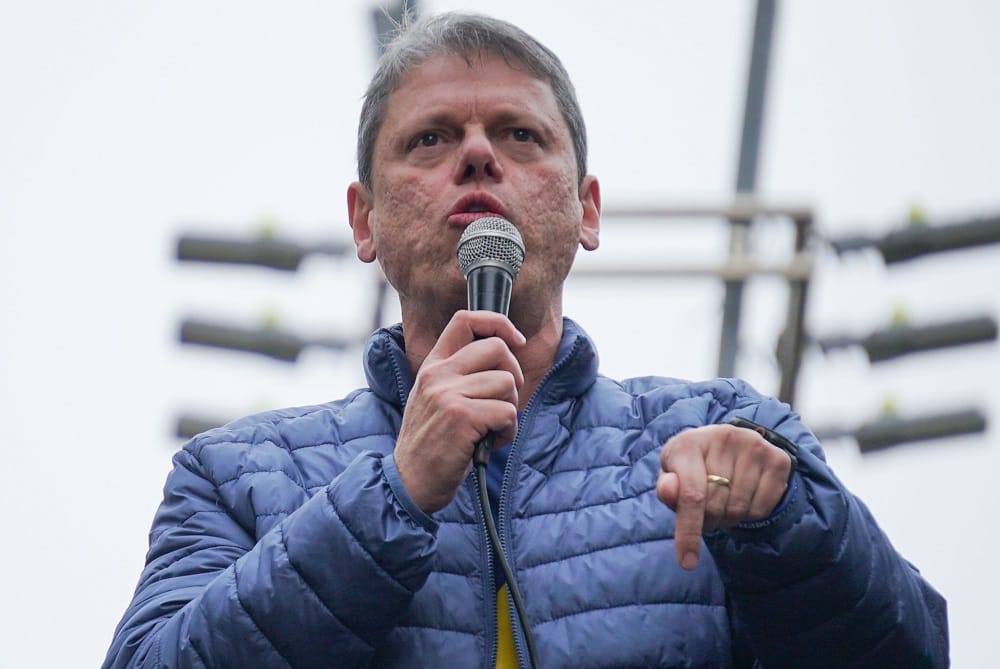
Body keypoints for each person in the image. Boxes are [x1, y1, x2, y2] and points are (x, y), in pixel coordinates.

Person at [103, 11, 948, 668]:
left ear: (586, 210)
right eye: (430, 139)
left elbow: (912, 651)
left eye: (519, 135)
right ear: (364, 221)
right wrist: (390, 495)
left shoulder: (730, 432)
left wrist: (785, 524)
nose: (476, 156)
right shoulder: (234, 477)